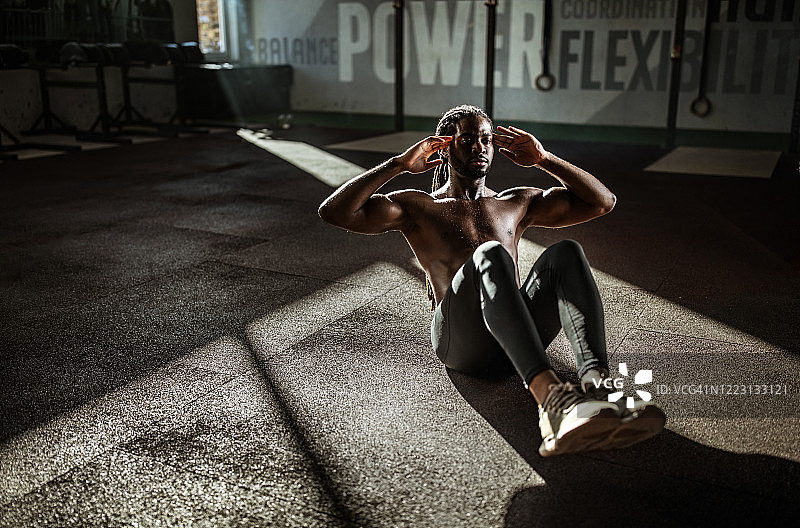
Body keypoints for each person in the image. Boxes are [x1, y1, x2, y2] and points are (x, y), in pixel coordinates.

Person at [318, 104, 665, 456]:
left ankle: (600, 386)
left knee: (566, 253)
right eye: (467, 139)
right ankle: (552, 402)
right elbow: (334, 212)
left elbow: (603, 202)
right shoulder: (419, 206)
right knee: (489, 254)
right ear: (444, 146)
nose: (479, 147)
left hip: (514, 338)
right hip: (460, 342)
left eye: (485, 139)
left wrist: (544, 159)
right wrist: (397, 165)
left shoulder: (515, 202)